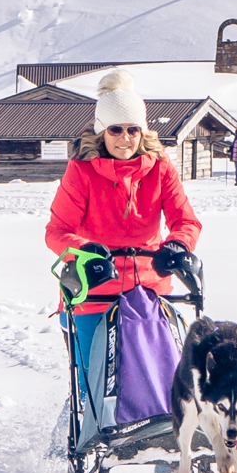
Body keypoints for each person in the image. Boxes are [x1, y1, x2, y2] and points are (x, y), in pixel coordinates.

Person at [46, 69, 202, 434]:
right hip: (94, 288)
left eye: (133, 129)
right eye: (115, 129)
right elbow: (58, 232)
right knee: (93, 383)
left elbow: (186, 220)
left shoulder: (160, 168)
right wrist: (88, 251)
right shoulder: (81, 172)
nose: (125, 138)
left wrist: (176, 246)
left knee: (166, 374)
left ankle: (171, 440)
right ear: (102, 131)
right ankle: (81, 438)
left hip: (147, 287)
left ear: (143, 132)